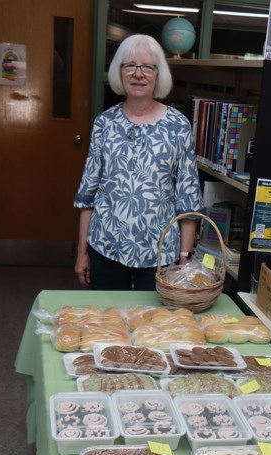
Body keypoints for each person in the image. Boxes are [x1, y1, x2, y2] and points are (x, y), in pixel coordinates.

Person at [73, 34, 204, 290]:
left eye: (147, 66)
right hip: (106, 247)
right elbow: (87, 195)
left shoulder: (178, 126)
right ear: (119, 72)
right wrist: (82, 252)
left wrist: (184, 258)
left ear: (158, 74)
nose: (138, 73)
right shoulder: (104, 124)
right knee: (109, 324)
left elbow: (188, 199)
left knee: (153, 327)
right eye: (130, 65)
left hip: (160, 253)